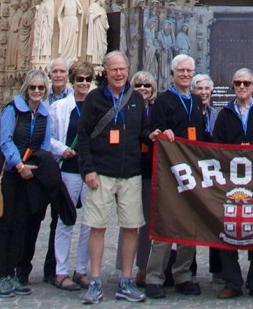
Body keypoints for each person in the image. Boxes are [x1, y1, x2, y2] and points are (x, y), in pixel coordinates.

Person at [76, 51, 149, 303]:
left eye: (123, 69)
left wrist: (157, 135)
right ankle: (94, 280)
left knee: (131, 227)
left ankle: (126, 281)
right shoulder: (94, 99)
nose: (119, 73)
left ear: (128, 70)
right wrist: (88, 169)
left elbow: (143, 133)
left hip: (130, 173)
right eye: (114, 69)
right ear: (105, 72)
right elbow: (83, 136)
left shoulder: (136, 100)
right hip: (101, 173)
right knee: (97, 226)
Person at [143, 55, 208, 299]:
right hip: (169, 172)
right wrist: (163, 132)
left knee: (189, 226)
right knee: (164, 224)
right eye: (181, 70)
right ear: (172, 73)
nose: (185, 74)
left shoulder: (196, 100)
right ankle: (155, 277)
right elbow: (154, 131)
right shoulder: (164, 100)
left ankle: (183, 274)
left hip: (192, 172)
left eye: (189, 70)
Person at [212, 68, 253, 299]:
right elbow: (216, 145)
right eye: (237, 83)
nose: (241, 86)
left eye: (246, 83)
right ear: (234, 88)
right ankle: (232, 281)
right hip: (230, 179)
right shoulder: (225, 114)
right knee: (229, 226)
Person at [0, 69, 53, 298]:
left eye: (40, 88)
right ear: (26, 88)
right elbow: (5, 140)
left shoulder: (45, 115)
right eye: (33, 87)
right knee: (4, 223)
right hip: (9, 172)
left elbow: (45, 146)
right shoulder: (12, 110)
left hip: (29, 174)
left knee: (20, 223)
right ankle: (0, 277)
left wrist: (37, 166)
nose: (36, 91)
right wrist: (19, 165)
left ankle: (12, 274)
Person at [22, 58, 72, 286]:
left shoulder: (75, 100)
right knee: (33, 216)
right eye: (55, 71)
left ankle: (52, 270)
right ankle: (22, 268)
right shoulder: (40, 99)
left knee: (59, 219)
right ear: (49, 74)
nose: (59, 75)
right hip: (42, 167)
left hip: (63, 168)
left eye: (63, 71)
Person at [48, 61, 96, 291]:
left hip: (91, 170)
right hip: (68, 169)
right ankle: (60, 271)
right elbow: (49, 137)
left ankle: (81, 270)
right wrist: (61, 150)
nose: (84, 83)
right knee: (65, 220)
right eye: (80, 79)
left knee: (89, 222)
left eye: (88, 79)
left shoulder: (97, 105)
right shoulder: (59, 107)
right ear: (72, 81)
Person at [127, 69, 157, 285]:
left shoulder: (157, 110)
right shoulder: (126, 108)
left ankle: (144, 267)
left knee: (147, 220)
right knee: (128, 220)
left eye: (147, 86)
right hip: (128, 168)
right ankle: (126, 268)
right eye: (138, 85)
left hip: (150, 169)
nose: (143, 89)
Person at [191, 73, 222, 283]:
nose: (203, 93)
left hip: (213, 174)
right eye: (199, 89)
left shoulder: (217, 115)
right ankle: (187, 269)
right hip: (191, 172)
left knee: (218, 219)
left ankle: (218, 269)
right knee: (189, 219)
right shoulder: (189, 113)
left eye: (206, 89)